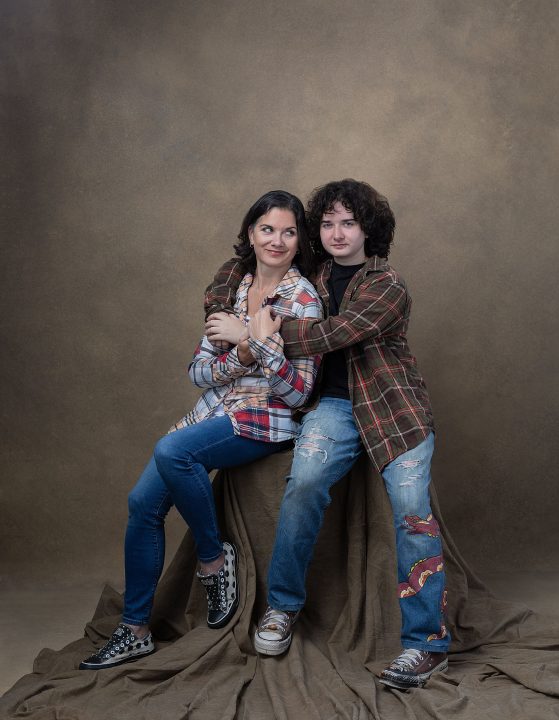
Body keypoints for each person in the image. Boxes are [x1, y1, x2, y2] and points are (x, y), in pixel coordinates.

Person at [204, 179, 450, 690]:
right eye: (328, 222)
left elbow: (331, 334)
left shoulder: (388, 285)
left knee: (412, 512)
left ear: (369, 230)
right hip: (333, 407)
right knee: (306, 483)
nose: (337, 233)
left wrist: (249, 330)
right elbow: (238, 268)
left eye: (349, 222)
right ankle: (282, 608)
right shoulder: (311, 273)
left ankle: (426, 646)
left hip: (393, 409)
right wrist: (222, 306)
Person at [79, 190, 323, 670]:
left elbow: (299, 394)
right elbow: (198, 372)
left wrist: (251, 338)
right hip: (213, 412)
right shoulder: (231, 289)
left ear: (299, 242)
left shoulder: (304, 301)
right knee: (141, 505)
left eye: (289, 231)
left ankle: (214, 561)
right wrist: (249, 351)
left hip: (265, 420)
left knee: (173, 451)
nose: (277, 240)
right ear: (250, 233)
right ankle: (134, 631)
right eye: (267, 229)